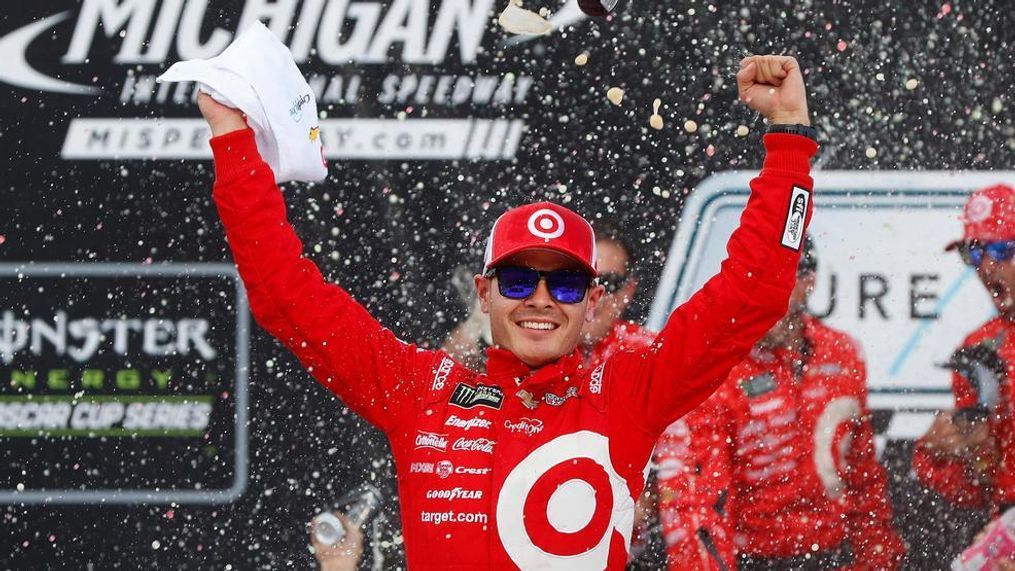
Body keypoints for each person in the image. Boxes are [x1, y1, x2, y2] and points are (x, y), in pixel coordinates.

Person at [199, 53, 817, 569]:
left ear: (593, 301)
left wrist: (789, 135)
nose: (541, 299)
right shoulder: (418, 390)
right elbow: (284, 293)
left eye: (567, 285)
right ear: (484, 291)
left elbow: (756, 291)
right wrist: (232, 137)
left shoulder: (630, 391)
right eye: (520, 279)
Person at [655, 237, 906, 570]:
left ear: (807, 282)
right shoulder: (717, 369)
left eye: (774, 282)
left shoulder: (843, 353)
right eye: (750, 282)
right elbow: (700, 504)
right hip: (753, 559)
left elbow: (863, 475)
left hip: (835, 553)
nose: (760, 298)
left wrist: (877, 555)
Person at [914, 184, 1015, 516]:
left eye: (1002, 250)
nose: (985, 268)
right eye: (974, 252)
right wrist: (943, 453)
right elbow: (981, 488)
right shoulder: (979, 349)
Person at [443, 219, 655, 371]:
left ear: (629, 290)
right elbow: (442, 386)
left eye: (610, 282)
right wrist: (476, 330)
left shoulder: (646, 356)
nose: (542, 300)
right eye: (567, 282)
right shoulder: (515, 339)